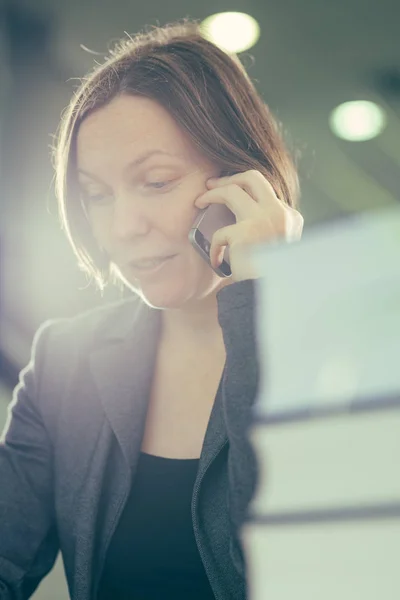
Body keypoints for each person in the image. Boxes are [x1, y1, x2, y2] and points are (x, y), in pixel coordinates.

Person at [0, 18, 303, 600]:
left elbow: (295, 562)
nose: (122, 227)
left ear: (246, 179)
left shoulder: (349, 352)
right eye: (97, 194)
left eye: (156, 182)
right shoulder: (65, 360)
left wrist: (262, 301)